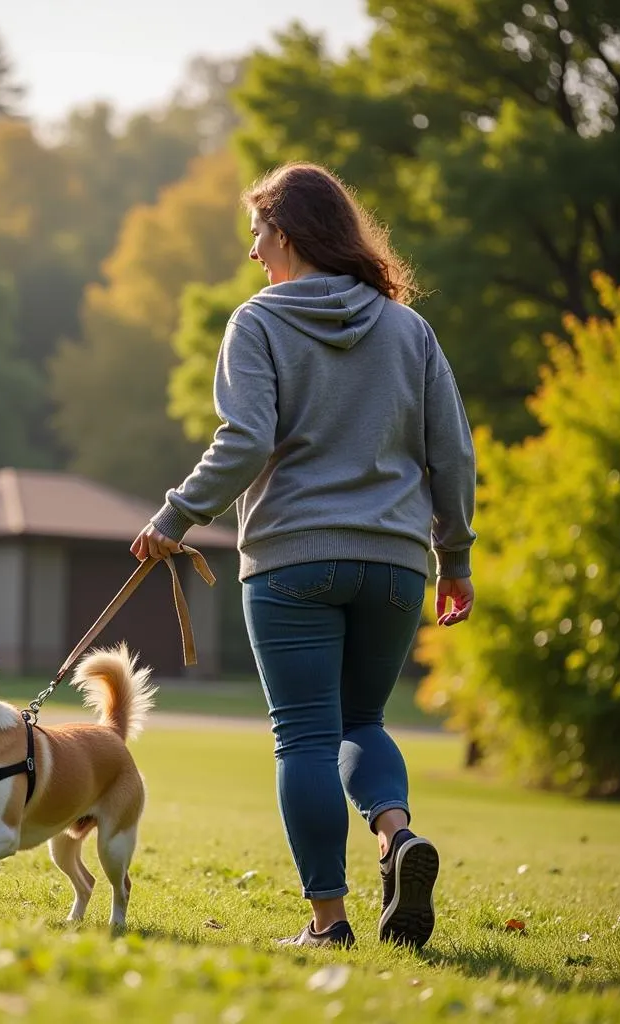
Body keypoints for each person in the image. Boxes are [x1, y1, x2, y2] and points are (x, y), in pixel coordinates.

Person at [131, 162, 476, 950]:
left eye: (257, 233)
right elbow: (451, 451)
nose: (253, 252)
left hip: (293, 561)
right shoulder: (408, 328)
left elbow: (245, 439)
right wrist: (453, 555)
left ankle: (331, 923)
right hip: (394, 563)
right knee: (364, 721)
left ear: (285, 233)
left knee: (307, 738)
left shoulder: (258, 323)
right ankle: (396, 837)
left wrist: (176, 517)